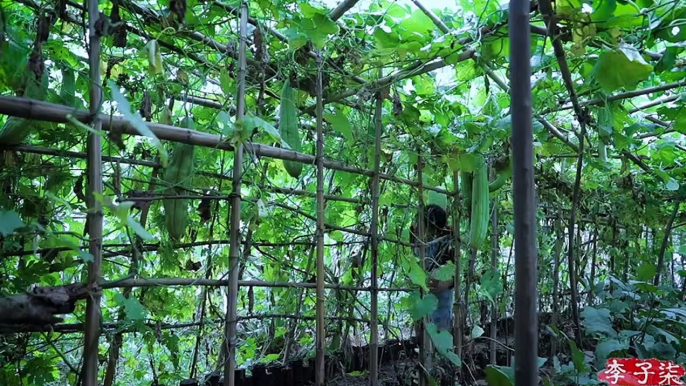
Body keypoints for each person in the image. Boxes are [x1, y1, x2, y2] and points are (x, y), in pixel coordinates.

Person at [409, 204, 455, 331]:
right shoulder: (416, 241)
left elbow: (450, 280)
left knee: (439, 336)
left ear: (434, 229)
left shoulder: (445, 244)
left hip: (440, 304)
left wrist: (426, 281)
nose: (417, 225)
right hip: (423, 302)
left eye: (421, 222)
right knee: (424, 338)